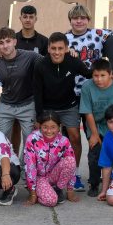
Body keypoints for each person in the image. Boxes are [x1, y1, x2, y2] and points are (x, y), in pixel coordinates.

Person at [33, 32, 91, 189]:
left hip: (69, 106)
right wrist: (39, 118)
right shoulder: (40, 65)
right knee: (48, 141)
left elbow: (90, 74)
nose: (57, 52)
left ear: (66, 48)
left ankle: (75, 173)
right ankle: (47, 174)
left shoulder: (73, 61)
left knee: (74, 137)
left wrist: (111, 75)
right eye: (53, 48)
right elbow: (37, 93)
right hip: (48, 107)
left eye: (60, 48)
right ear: (48, 48)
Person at [79, 59, 113, 198]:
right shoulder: (87, 87)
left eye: (103, 75)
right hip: (95, 126)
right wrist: (94, 134)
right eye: (95, 75)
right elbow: (88, 112)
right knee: (94, 155)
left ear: (110, 74)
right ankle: (94, 183)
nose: (99, 79)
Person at [0, 27, 41, 148]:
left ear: (15, 42)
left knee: (31, 140)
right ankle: (5, 165)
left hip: (27, 104)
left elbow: (50, 61)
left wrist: (67, 51)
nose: (5, 46)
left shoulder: (30, 56)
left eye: (8, 41)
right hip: (5, 104)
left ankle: (25, 166)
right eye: (1, 43)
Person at [23, 111, 79, 208]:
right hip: (39, 178)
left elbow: (72, 164)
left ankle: (58, 189)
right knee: (51, 201)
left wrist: (70, 189)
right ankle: (39, 190)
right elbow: (30, 166)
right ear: (40, 126)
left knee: (70, 161)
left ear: (59, 127)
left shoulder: (64, 140)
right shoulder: (32, 139)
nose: (49, 131)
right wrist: (32, 192)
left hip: (54, 176)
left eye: (53, 127)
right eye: (45, 127)